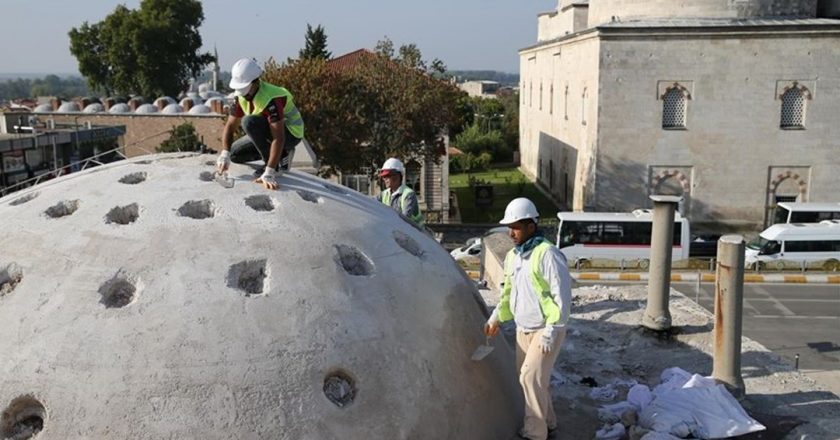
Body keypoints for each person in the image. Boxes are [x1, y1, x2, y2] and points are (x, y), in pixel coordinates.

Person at [483, 197, 572, 440]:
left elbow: (562, 297)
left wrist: (552, 330)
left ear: (531, 225)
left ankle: (535, 434)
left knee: (529, 377)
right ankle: (549, 422)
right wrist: (495, 318)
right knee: (535, 381)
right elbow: (508, 292)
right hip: (524, 329)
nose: (511, 233)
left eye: (516, 227)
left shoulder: (547, 254)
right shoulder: (514, 256)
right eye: (509, 227)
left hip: (546, 329)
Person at [216, 58, 305, 190]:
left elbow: (278, 138)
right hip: (268, 131)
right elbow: (230, 125)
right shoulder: (241, 96)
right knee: (234, 154)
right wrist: (225, 154)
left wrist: (269, 172)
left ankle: (276, 164)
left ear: (256, 82)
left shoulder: (271, 98)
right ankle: (282, 155)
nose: (244, 95)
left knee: (248, 122)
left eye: (246, 89)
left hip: (291, 133)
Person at [378, 158, 423, 226]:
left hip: (415, 234)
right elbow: (369, 203)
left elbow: (404, 220)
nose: (384, 179)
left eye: (387, 176)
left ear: (397, 176)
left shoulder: (408, 194)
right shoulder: (384, 194)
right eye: (384, 177)